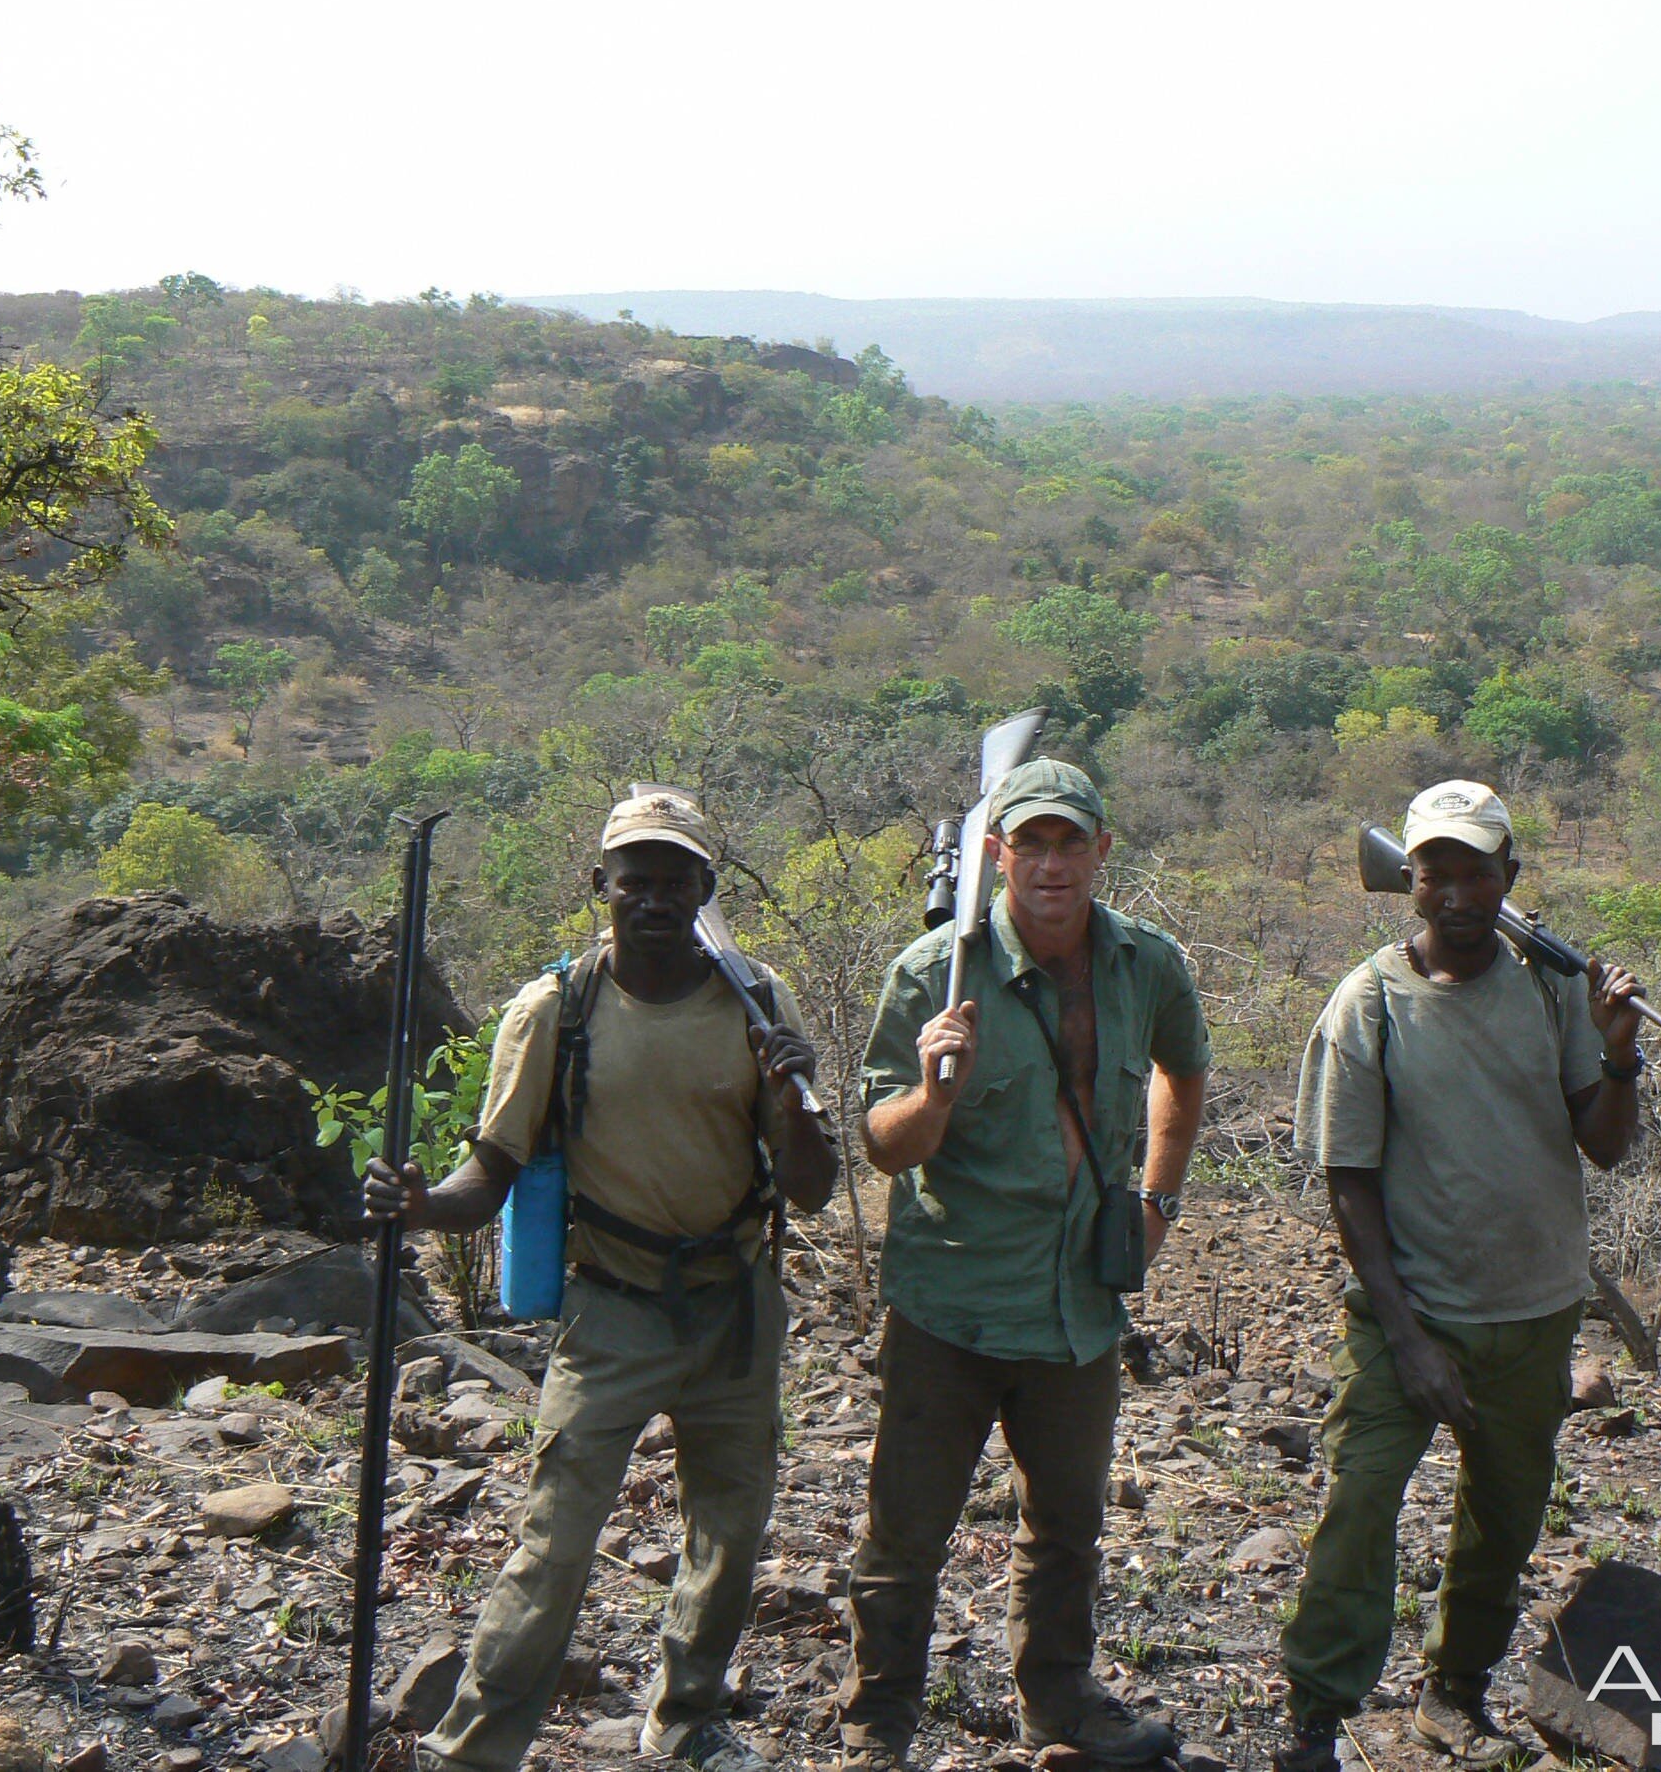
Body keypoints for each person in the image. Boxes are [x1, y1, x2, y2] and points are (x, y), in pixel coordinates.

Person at [361, 791, 837, 1772]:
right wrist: (420, 1205)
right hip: (611, 1307)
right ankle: (473, 1750)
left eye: (676, 881)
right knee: (555, 1543)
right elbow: (487, 1171)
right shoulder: (557, 1009)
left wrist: (795, 1098)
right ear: (602, 888)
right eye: (636, 881)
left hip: (735, 1308)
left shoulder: (757, 998)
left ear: (704, 890)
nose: (655, 900)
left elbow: (814, 1190)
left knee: (730, 1534)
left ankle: (689, 1718)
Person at [840, 759, 1212, 1772]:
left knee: (1067, 1528)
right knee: (903, 1538)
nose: (1050, 864)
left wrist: (1158, 1202)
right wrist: (934, 1095)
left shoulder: (1146, 965)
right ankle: (877, 1727)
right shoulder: (936, 972)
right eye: (1029, 843)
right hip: (951, 1303)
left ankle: (1057, 1705)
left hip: (1076, 1306)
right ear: (996, 853)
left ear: (1101, 850)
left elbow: (1185, 1069)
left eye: (1069, 842)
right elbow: (883, 1145)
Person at [1275, 780, 1646, 1772]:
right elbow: (1347, 1182)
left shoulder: (1552, 986)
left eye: (1474, 869)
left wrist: (1618, 1060)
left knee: (1504, 1520)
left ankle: (1453, 1695)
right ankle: (1315, 1720)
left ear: (1507, 878)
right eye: (1432, 868)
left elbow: (1603, 1146)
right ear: (1407, 879)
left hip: (1533, 1312)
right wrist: (1406, 1338)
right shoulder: (1369, 1001)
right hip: (1407, 1314)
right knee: (1358, 1511)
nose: (1453, 889)